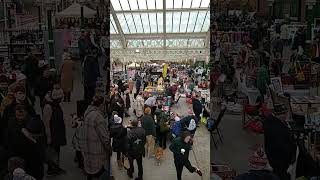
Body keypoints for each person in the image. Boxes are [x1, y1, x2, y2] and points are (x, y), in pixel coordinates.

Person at [4, 105, 44, 180]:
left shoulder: (33, 123)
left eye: (22, 111)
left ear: (27, 112)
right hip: (16, 156)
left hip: (31, 157)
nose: (20, 113)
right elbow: (8, 139)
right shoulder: (11, 122)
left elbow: (38, 139)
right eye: (18, 111)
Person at [79, 95, 111, 180]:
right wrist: (110, 149)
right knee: (100, 174)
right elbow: (105, 138)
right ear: (101, 105)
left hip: (87, 151)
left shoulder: (87, 113)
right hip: (97, 153)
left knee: (90, 174)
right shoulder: (98, 117)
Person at [263, 110, 297, 180]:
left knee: (276, 174)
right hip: (280, 160)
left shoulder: (269, 122)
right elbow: (283, 147)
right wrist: (291, 159)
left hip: (272, 157)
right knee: (281, 175)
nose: (285, 116)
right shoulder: (278, 128)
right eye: (284, 114)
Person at [42, 85, 67, 176]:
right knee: (52, 151)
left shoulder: (55, 105)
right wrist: (48, 137)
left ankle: (56, 166)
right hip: (52, 133)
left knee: (56, 150)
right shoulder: (48, 107)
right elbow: (46, 123)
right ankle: (51, 169)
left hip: (57, 131)